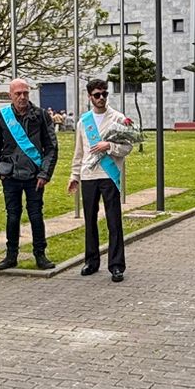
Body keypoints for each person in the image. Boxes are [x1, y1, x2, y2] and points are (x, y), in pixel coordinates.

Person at [0, 78, 58, 270]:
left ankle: (40, 255)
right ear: (10, 95)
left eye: (25, 93)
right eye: (18, 93)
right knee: (12, 216)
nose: (22, 97)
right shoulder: (2, 117)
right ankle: (11, 255)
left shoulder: (41, 115)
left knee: (36, 215)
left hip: (35, 176)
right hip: (10, 176)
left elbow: (51, 147)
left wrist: (44, 174)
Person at [68, 80, 135, 282]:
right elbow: (78, 152)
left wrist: (109, 146)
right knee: (90, 220)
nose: (101, 98)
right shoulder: (83, 122)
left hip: (109, 175)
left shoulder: (118, 118)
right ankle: (91, 261)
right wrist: (74, 176)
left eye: (104, 94)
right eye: (97, 95)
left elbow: (128, 147)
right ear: (90, 97)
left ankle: (116, 265)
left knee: (114, 221)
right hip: (89, 176)